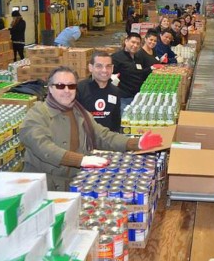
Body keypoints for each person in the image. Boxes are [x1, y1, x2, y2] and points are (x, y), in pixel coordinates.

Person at [20, 65, 163, 191]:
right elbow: (43, 147)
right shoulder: (37, 114)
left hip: (73, 182)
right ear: (50, 88)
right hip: (43, 186)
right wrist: (81, 160)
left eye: (71, 86)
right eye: (60, 86)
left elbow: (103, 136)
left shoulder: (80, 113)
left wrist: (135, 143)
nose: (67, 90)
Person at [76, 51, 122, 132]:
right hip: (85, 140)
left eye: (108, 66)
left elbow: (116, 121)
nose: (104, 70)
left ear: (112, 68)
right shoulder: (79, 89)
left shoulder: (115, 91)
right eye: (99, 66)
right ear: (90, 67)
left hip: (107, 141)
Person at [112, 33, 154, 112]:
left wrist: (151, 69)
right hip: (123, 98)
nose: (135, 45)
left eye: (138, 44)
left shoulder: (137, 58)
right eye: (133, 42)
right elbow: (108, 76)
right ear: (126, 41)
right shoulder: (116, 58)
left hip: (137, 96)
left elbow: (139, 73)